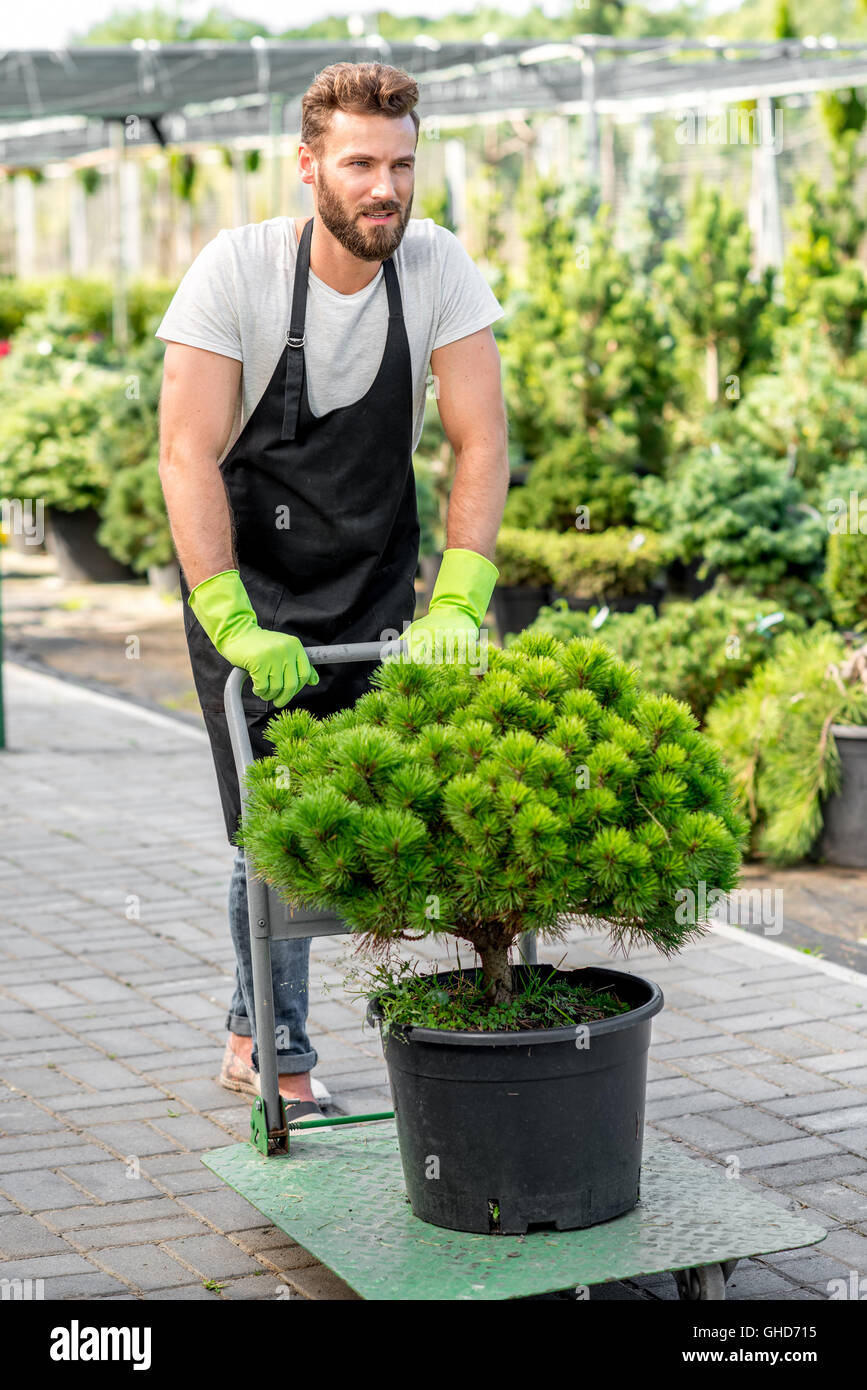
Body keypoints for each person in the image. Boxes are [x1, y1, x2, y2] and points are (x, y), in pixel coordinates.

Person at [155, 60, 509, 1123]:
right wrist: (229, 621)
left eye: (401, 163)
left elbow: (480, 439)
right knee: (275, 821)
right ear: (310, 166)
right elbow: (186, 452)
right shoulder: (238, 273)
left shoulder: (438, 266)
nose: (384, 187)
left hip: (372, 581)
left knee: (390, 802)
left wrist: (457, 599)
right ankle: (279, 1043)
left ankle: (299, 1021)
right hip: (250, 590)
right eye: (359, 163)